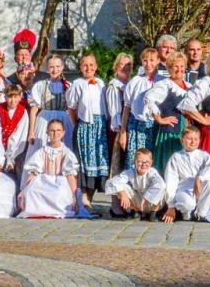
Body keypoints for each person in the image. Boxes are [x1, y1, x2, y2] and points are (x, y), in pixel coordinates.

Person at [20, 118, 81, 219]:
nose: (55, 133)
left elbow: (70, 176)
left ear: (63, 133)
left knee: (59, 192)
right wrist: (25, 190)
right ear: (47, 132)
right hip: (43, 181)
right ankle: (37, 209)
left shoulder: (67, 153)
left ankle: (57, 210)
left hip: (60, 182)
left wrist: (74, 195)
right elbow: (33, 173)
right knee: (32, 190)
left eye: (58, 131)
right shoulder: (41, 152)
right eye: (52, 131)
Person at [66, 53, 109, 195]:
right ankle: (84, 198)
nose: (88, 68)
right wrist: (78, 124)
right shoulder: (77, 84)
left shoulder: (101, 83)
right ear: (80, 67)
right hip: (85, 125)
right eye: (85, 65)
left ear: (96, 67)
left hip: (100, 126)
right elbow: (71, 108)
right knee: (85, 162)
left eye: (91, 65)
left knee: (98, 161)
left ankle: (90, 198)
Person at [162, 125, 210, 223]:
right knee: (188, 203)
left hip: (200, 189)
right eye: (189, 139)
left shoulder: (204, 155)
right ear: (182, 140)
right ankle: (186, 215)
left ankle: (201, 214)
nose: (193, 142)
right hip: (184, 191)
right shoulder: (176, 157)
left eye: (196, 139)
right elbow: (171, 180)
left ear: (199, 140)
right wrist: (171, 206)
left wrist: (200, 178)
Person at [144, 60, 190, 174]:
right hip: (170, 130)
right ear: (169, 68)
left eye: (181, 66)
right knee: (167, 162)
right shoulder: (165, 85)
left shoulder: (188, 86)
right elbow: (149, 99)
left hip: (185, 129)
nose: (179, 69)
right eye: (175, 66)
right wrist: (160, 119)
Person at [28, 55, 73, 153]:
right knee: (41, 147)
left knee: (64, 148)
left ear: (62, 67)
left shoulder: (68, 85)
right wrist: (31, 132)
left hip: (63, 120)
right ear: (47, 69)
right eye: (51, 67)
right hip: (44, 120)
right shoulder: (40, 85)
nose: (54, 70)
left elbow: (72, 109)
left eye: (57, 66)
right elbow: (34, 110)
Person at [124, 48, 162, 162]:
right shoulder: (135, 81)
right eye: (145, 60)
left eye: (152, 60)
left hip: (155, 125)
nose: (148, 64)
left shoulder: (163, 81)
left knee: (152, 159)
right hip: (136, 125)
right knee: (136, 159)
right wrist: (123, 131)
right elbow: (127, 107)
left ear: (158, 61)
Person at [107, 148, 167, 220]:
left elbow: (160, 184)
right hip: (138, 202)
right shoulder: (130, 172)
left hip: (152, 203)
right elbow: (112, 182)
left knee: (162, 187)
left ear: (151, 163)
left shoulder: (152, 172)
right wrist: (122, 193)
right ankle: (136, 211)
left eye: (146, 162)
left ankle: (153, 213)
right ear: (135, 162)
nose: (143, 164)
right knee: (121, 186)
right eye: (140, 161)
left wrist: (147, 197)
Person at [0, 81, 32, 174]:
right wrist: (0, 154)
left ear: (20, 97)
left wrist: (10, 156)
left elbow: (19, 135)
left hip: (14, 148)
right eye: (10, 97)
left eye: (15, 97)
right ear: (5, 97)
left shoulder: (22, 112)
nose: (13, 100)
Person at [105, 52, 132, 180]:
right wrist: (121, 131)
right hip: (118, 130)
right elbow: (114, 111)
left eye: (129, 65)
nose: (126, 68)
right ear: (116, 67)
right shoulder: (114, 87)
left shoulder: (130, 85)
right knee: (118, 166)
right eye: (122, 65)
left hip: (127, 128)